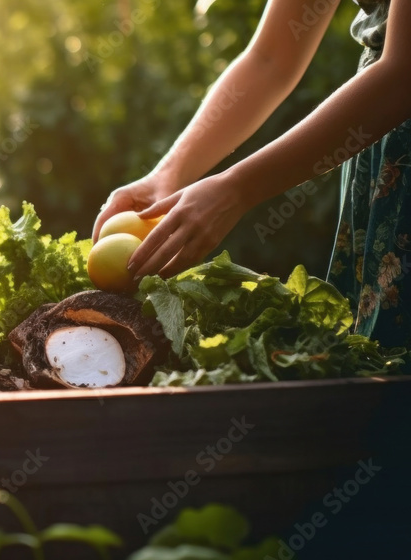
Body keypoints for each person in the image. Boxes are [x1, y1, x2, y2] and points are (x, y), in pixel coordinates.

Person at [93, 0, 410, 347]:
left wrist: (238, 189)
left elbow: (402, 74)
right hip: (375, 143)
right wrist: (166, 177)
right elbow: (271, 58)